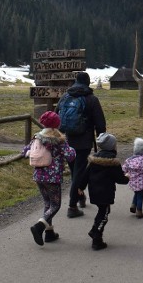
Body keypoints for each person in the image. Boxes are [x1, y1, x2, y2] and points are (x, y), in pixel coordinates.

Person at [21, 111, 76, 246]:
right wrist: (72, 149)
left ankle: (49, 233)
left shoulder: (36, 137)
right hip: (53, 177)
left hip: (39, 176)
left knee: (47, 203)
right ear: (57, 124)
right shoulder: (58, 140)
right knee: (55, 205)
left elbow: (24, 152)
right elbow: (70, 156)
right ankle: (39, 226)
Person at [59, 71, 107, 219]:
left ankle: (80, 197)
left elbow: (56, 115)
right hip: (84, 141)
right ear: (87, 82)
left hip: (67, 140)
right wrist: (101, 140)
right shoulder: (91, 99)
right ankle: (72, 206)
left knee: (75, 172)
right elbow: (100, 123)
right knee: (78, 173)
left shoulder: (65, 97)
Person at [76, 132, 129, 250]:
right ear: (112, 147)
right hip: (106, 192)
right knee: (104, 215)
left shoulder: (93, 161)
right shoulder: (113, 163)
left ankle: (97, 236)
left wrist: (81, 187)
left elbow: (85, 175)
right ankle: (96, 233)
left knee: (102, 211)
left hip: (94, 191)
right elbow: (120, 179)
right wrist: (127, 177)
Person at [122, 137, 143, 219]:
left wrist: (126, 174)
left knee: (136, 193)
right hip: (142, 182)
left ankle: (133, 205)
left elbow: (123, 169)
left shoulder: (129, 160)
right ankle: (139, 211)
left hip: (133, 181)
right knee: (140, 195)